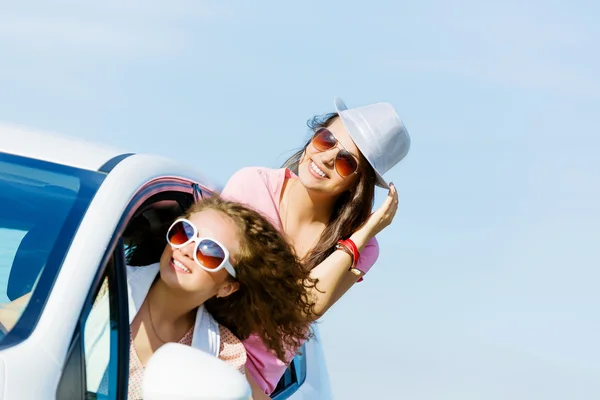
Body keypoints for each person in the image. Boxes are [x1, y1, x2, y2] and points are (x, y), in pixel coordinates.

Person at [0, 197, 315, 399]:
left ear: (227, 286)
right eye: (185, 233)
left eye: (209, 252)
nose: (187, 249)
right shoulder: (99, 286)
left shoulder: (222, 352)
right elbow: (9, 324)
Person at [221, 96, 411, 397]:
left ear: (356, 184)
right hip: (209, 346)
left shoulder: (365, 248)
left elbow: (302, 308)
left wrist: (362, 235)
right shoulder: (252, 186)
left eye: (346, 161)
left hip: (254, 382)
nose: (325, 158)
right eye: (326, 140)